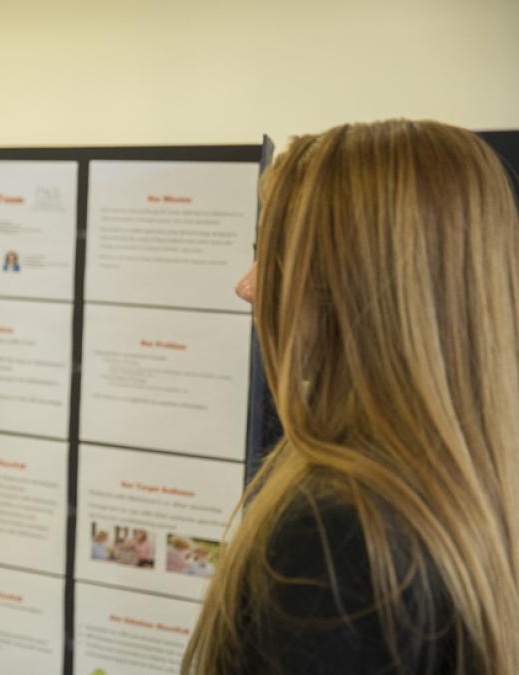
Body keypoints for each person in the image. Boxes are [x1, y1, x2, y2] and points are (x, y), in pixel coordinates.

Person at [182, 120, 519, 674]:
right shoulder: (469, 485)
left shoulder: (334, 534)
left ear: (356, 280)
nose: (248, 286)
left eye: (276, 253)